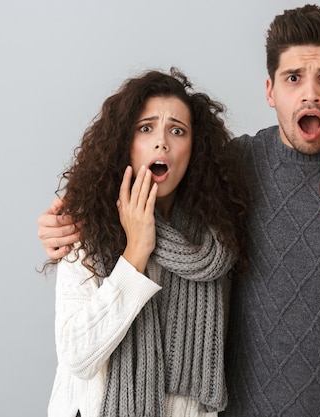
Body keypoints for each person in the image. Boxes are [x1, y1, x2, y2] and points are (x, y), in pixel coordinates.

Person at [36, 4, 320, 416]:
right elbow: (150, 206)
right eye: (294, 77)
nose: (310, 92)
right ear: (271, 91)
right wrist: (63, 225)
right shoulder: (233, 166)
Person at [46, 68, 250, 417]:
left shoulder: (217, 243)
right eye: (146, 128)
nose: (162, 142)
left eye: (177, 130)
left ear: (193, 149)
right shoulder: (88, 229)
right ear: (126, 143)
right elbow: (78, 358)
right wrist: (135, 253)